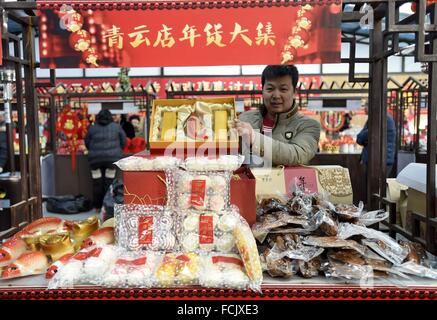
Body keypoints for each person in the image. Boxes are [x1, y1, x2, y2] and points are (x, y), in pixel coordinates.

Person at [233, 65, 321, 166]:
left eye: (283, 89)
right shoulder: (245, 119)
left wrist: (254, 138)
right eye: (270, 89)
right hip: (249, 181)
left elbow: (298, 155)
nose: (276, 96)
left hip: (288, 181)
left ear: (294, 92)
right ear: (262, 90)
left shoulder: (308, 125)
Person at [85, 109, 127, 212]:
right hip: (111, 160)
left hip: (95, 161)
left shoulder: (92, 128)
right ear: (110, 117)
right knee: (109, 182)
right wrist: (117, 150)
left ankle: (97, 207)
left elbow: (87, 142)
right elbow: (124, 141)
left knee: (97, 182)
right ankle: (107, 206)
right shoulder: (116, 127)